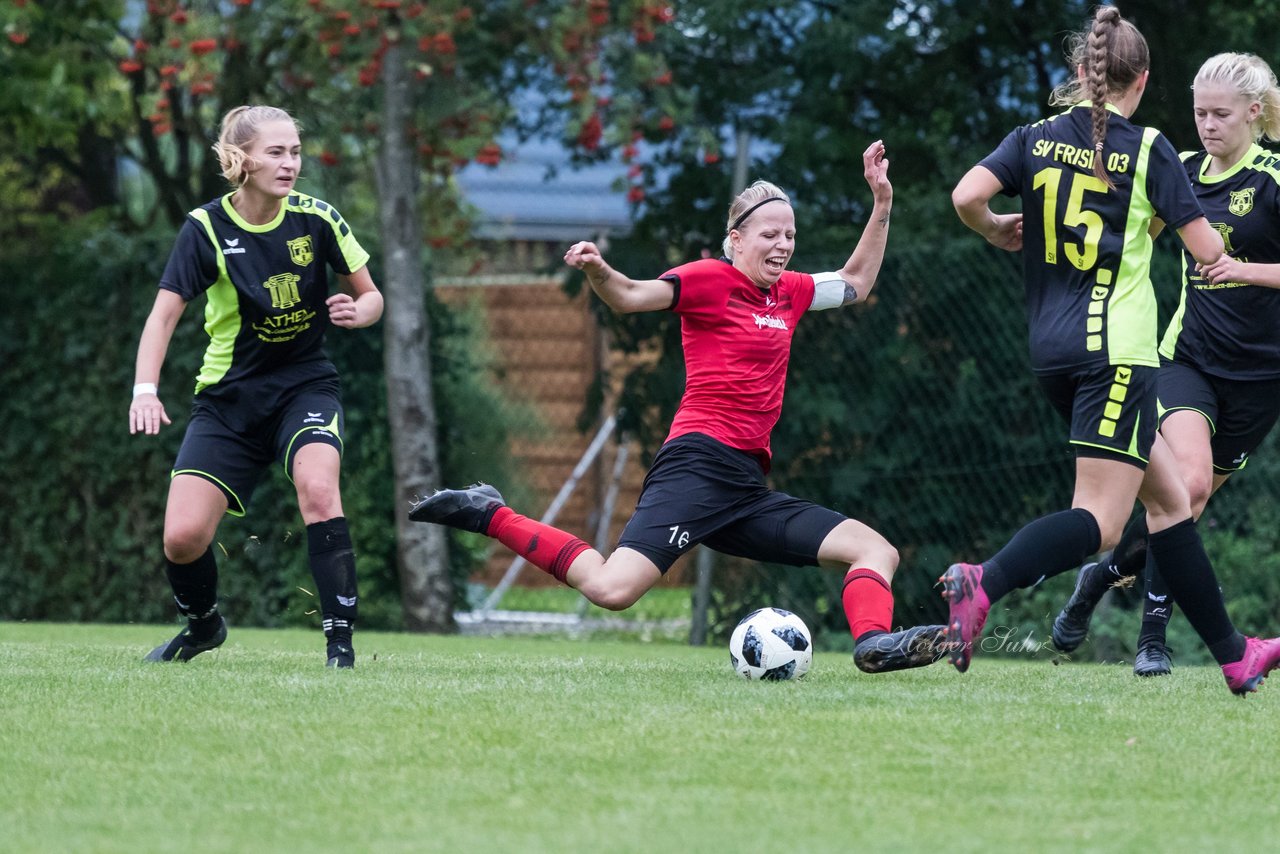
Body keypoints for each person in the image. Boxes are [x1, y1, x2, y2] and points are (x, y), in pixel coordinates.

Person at [411, 142, 947, 673]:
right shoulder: (708, 279)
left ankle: (874, 646)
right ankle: (488, 511)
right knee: (611, 589)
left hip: (743, 485)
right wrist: (598, 269)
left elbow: (855, 282)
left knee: (876, 550)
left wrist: (881, 203)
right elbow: (628, 296)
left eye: (789, 235)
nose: (782, 245)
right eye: (770, 235)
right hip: (696, 466)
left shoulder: (790, 292)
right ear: (736, 240)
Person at [947, 7, 1280, 695]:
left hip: (1051, 348)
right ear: (1145, 79)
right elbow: (1210, 252)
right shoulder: (1150, 149)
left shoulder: (1034, 137)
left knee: (1169, 502)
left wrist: (995, 230)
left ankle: (1233, 654)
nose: (1207, 125)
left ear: (1080, 72)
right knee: (1101, 521)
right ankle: (985, 581)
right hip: (1120, 353)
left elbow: (966, 196)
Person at [1052, 52, 1280, 677]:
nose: (1206, 124)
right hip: (1187, 359)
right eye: (1199, 112)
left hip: (1262, 380)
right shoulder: (1177, 170)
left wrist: (1247, 270)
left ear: (1252, 113)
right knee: (1191, 487)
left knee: (1180, 508)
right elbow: (1128, 233)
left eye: (1220, 114)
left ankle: (1097, 581)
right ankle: (1153, 640)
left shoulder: (1274, 178)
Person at [130, 105, 383, 668]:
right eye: (276, 152)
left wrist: (359, 312)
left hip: (305, 388)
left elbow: (371, 295)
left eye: (295, 151)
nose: (290, 163)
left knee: (319, 490)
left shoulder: (318, 218)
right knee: (182, 538)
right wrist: (144, 390)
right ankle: (203, 627)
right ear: (239, 159)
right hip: (228, 403)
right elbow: (163, 316)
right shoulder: (205, 229)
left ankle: (340, 647)